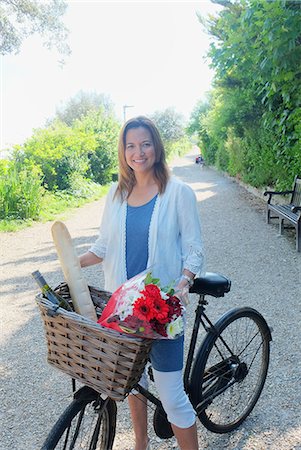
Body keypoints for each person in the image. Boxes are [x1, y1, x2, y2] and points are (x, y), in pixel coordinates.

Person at [79, 116, 204, 450]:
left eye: (145, 143)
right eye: (131, 145)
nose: (139, 152)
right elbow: (102, 247)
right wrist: (71, 264)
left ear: (156, 147)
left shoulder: (178, 193)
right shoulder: (116, 194)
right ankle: (141, 443)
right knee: (132, 383)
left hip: (161, 310)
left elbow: (194, 249)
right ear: (123, 151)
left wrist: (184, 281)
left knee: (172, 397)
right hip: (122, 309)